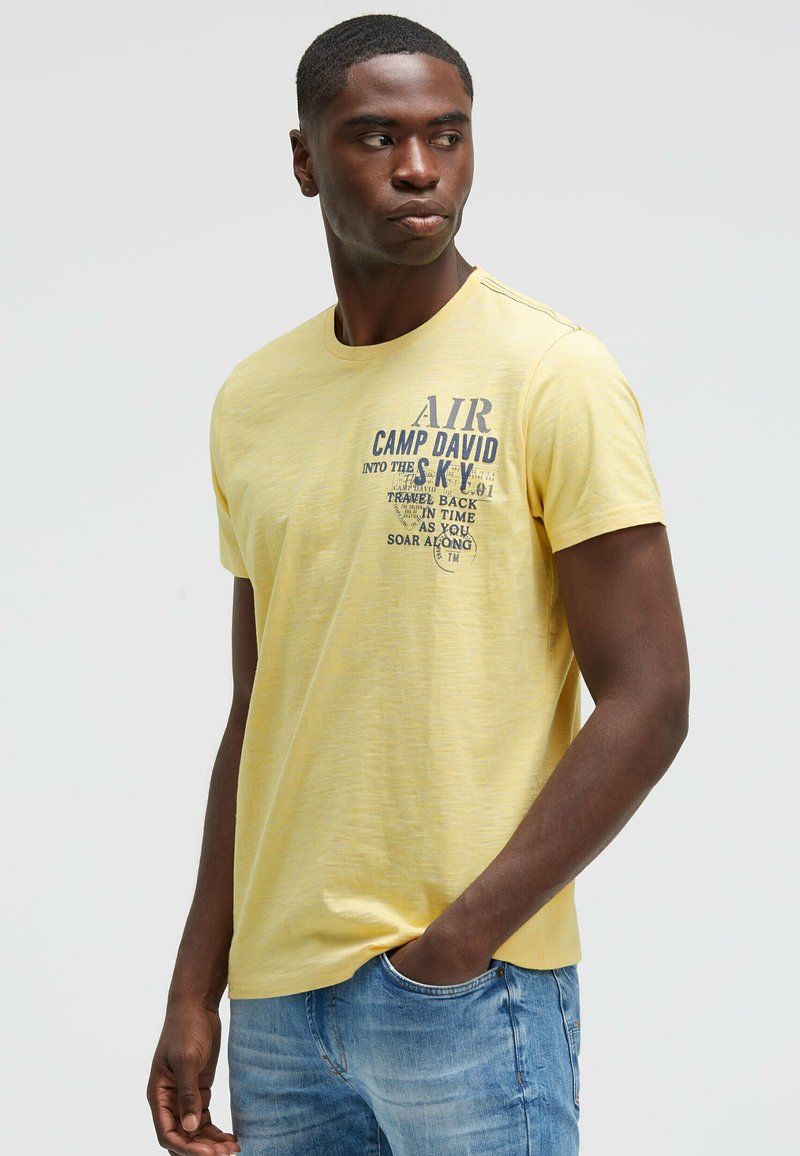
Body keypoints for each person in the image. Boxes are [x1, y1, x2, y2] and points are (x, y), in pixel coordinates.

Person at [146, 13, 690, 1156]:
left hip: (465, 996)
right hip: (280, 1007)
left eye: (446, 135)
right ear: (303, 159)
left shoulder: (551, 372)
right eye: (373, 136)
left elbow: (649, 696)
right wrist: (198, 984)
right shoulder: (253, 399)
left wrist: (459, 943)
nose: (417, 167)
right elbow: (258, 707)